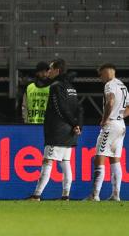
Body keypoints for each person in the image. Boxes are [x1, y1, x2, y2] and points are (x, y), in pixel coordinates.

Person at [30, 59, 81, 201]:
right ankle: (65, 196)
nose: (49, 71)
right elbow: (79, 109)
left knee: (47, 161)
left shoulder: (56, 86)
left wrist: (73, 123)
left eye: (51, 69)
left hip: (58, 130)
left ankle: (36, 195)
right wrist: (77, 125)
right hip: (70, 131)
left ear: (57, 70)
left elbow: (60, 108)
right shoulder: (71, 87)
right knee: (65, 162)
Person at [89, 63, 126, 201]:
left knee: (99, 157)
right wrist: (119, 116)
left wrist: (105, 119)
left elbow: (110, 102)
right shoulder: (123, 86)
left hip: (111, 125)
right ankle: (116, 195)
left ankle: (95, 195)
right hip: (121, 125)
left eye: (101, 74)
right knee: (115, 159)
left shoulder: (110, 85)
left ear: (107, 71)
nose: (101, 78)